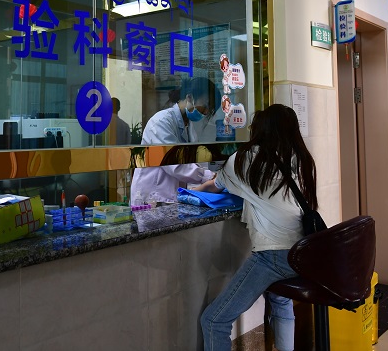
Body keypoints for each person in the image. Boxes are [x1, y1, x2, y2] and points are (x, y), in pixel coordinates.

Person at [197, 104, 317, 351]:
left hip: (274, 255)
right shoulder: (302, 158)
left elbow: (214, 186)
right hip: (304, 251)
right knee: (280, 300)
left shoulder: (246, 159)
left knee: (214, 321)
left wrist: (185, 193)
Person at [129, 77, 218, 205]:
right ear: (189, 98)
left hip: (169, 196)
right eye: (205, 106)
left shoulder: (188, 126)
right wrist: (208, 176)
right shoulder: (161, 121)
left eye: (209, 110)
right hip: (151, 196)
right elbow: (173, 162)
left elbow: (192, 160)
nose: (206, 112)